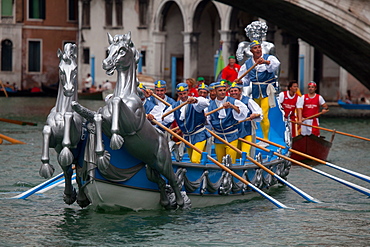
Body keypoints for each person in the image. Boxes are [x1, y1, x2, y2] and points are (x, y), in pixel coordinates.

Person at [237, 40, 280, 145]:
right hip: (256, 91)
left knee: (264, 114)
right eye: (255, 48)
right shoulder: (247, 63)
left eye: (259, 47)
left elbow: (275, 65)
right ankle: (254, 136)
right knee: (255, 114)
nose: (258, 50)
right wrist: (240, 81)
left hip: (267, 91)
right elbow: (245, 81)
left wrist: (265, 62)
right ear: (251, 51)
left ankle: (266, 139)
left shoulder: (268, 58)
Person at [162, 83, 210, 163]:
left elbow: (205, 103)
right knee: (192, 160)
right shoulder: (174, 106)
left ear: (188, 92)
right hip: (187, 137)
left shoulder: (195, 104)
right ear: (178, 94)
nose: (183, 96)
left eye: (184, 93)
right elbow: (164, 119)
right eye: (180, 94)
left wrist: (195, 100)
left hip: (199, 135)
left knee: (195, 160)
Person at [207, 80, 249, 163]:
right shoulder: (210, 104)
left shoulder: (234, 101)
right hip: (218, 137)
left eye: (224, 90)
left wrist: (232, 106)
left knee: (230, 161)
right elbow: (207, 119)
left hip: (232, 136)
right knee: (220, 161)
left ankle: (231, 174)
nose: (223, 92)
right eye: (220, 90)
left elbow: (243, 112)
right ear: (215, 91)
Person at [229, 82, 262, 155]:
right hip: (233, 132)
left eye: (235, 91)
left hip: (247, 130)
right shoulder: (227, 102)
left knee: (245, 153)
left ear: (240, 91)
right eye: (231, 91)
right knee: (235, 154)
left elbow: (259, 112)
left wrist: (255, 115)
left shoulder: (248, 100)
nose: (233, 93)